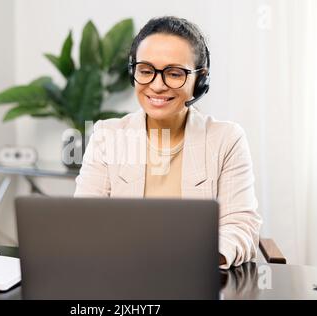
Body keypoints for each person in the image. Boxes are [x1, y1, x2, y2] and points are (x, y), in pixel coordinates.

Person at [74, 16, 262, 269]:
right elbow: (85, 221)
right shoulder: (107, 136)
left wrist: (203, 256)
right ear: (133, 73)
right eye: (146, 71)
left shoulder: (226, 139)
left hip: (194, 276)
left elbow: (240, 225)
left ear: (200, 80)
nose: (157, 85)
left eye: (174, 73)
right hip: (122, 276)